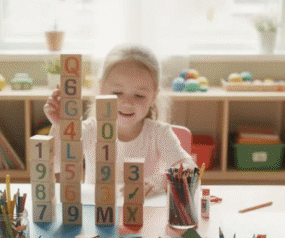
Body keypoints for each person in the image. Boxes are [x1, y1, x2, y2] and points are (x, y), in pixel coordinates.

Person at [44, 44, 194, 196]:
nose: (127, 102)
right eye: (117, 92)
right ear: (101, 89)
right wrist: (59, 126)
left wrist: (156, 182)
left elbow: (189, 168)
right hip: (97, 214)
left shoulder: (159, 134)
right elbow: (56, 166)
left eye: (139, 95)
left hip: (146, 213)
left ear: (154, 96)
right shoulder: (90, 130)